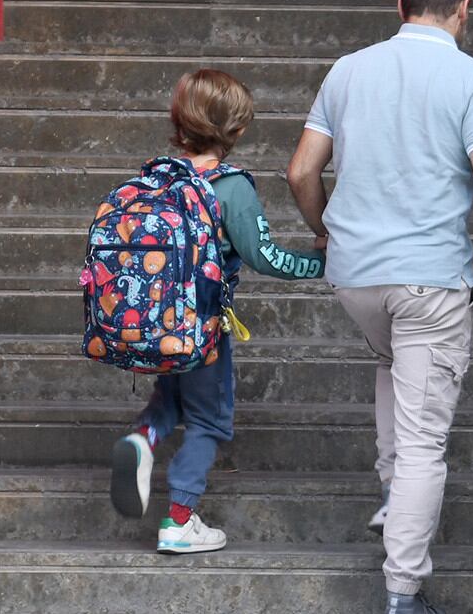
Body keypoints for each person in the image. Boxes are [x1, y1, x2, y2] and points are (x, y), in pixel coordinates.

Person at [284, 0, 473, 614]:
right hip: (428, 280)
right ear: (464, 9)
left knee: (396, 373)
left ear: (398, 5)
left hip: (356, 278)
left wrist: (328, 231)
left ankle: (395, 499)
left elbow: (301, 168)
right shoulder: (471, 77)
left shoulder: (349, 69)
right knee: (425, 438)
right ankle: (403, 598)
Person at [110, 69, 325, 554]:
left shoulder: (157, 177)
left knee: (170, 400)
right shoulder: (231, 189)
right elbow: (265, 257)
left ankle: (143, 440)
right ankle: (179, 520)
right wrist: (321, 265)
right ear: (238, 131)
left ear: (178, 120)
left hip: (157, 321)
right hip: (203, 327)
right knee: (208, 421)